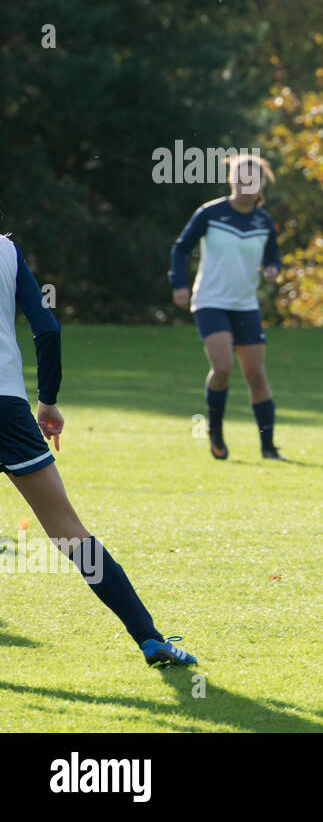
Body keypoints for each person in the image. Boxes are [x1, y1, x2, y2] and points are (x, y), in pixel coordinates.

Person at [1, 232, 196, 666]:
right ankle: (150, 639)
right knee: (71, 534)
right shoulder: (7, 250)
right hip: (8, 411)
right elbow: (47, 327)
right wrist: (47, 399)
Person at [170, 154, 283, 460]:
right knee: (222, 368)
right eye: (240, 178)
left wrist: (273, 268)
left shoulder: (263, 221)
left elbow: (273, 255)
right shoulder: (210, 213)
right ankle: (216, 432)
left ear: (261, 184)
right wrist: (178, 283)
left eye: (252, 179)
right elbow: (181, 248)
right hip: (210, 301)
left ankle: (269, 448)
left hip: (245, 305)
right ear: (231, 180)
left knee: (256, 376)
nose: (245, 184)